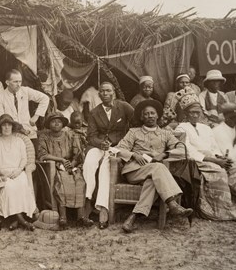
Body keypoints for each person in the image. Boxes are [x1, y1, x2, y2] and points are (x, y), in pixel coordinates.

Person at [117, 99, 193, 233]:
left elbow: (181, 149)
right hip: (135, 170)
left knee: (152, 181)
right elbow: (119, 149)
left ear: (158, 115)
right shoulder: (134, 132)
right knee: (159, 167)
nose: (150, 116)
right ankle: (172, 204)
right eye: (146, 114)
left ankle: (133, 217)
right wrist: (134, 154)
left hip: (155, 174)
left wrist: (164, 154)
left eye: (152, 113)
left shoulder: (166, 133)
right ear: (141, 117)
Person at [175, 94, 236, 220]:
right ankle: (221, 211)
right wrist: (213, 160)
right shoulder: (181, 128)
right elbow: (187, 150)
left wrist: (220, 158)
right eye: (192, 112)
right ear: (186, 113)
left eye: (198, 112)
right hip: (198, 161)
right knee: (219, 173)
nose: (195, 115)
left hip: (214, 158)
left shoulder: (206, 128)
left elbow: (214, 147)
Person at [82, 82, 134, 228]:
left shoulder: (123, 107)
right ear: (99, 95)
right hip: (98, 145)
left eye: (108, 91)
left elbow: (136, 121)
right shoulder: (94, 112)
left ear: (113, 93)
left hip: (117, 146)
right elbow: (90, 136)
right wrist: (100, 144)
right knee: (89, 163)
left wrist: (128, 140)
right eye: (102, 91)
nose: (105, 93)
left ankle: (103, 210)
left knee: (106, 167)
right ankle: (87, 201)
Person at [37, 112, 93, 229]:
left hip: (70, 165)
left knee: (79, 181)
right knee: (62, 181)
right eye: (53, 121)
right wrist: (61, 160)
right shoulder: (44, 137)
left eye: (59, 121)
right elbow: (42, 155)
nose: (56, 123)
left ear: (63, 124)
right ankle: (63, 217)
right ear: (49, 124)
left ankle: (81, 217)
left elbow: (77, 154)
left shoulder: (70, 135)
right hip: (54, 167)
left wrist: (71, 165)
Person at [0, 114, 36, 231]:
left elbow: (24, 159)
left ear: (13, 127)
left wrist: (18, 170)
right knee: (9, 187)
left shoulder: (19, 141)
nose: (7, 128)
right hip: (0, 172)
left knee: (23, 184)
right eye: (4, 125)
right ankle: (22, 221)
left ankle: (15, 220)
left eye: (9, 125)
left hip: (17, 171)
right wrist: (1, 171)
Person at [0, 69, 50, 142]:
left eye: (20, 81)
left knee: (33, 152)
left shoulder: (25, 91)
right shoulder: (0, 97)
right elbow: (0, 120)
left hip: (29, 132)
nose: (19, 84)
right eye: (15, 82)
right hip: (12, 136)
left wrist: (36, 116)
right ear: (7, 82)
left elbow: (45, 98)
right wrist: (19, 129)